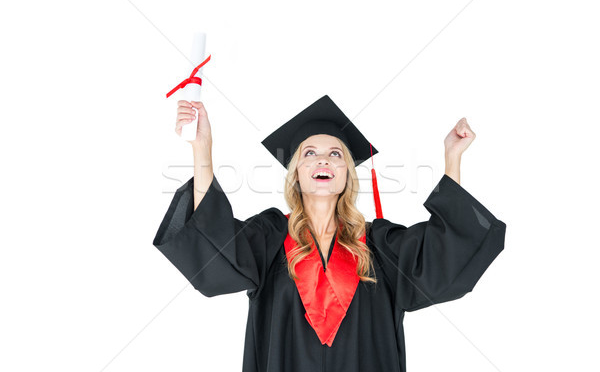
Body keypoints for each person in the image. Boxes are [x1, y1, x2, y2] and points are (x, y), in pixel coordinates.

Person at [153, 94, 506, 372]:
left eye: (335, 153)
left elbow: (446, 254)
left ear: (347, 173)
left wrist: (452, 159)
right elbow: (213, 247)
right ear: (297, 173)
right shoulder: (270, 237)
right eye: (310, 153)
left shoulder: (380, 246)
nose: (323, 160)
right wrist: (202, 149)